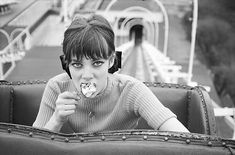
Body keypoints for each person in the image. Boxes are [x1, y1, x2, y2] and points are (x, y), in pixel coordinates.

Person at [33, 14, 189, 133]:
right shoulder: (57, 88)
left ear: (111, 60)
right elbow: (32, 148)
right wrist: (56, 120)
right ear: (67, 63)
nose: (86, 75)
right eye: (77, 64)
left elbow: (181, 135)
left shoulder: (131, 90)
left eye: (97, 63)